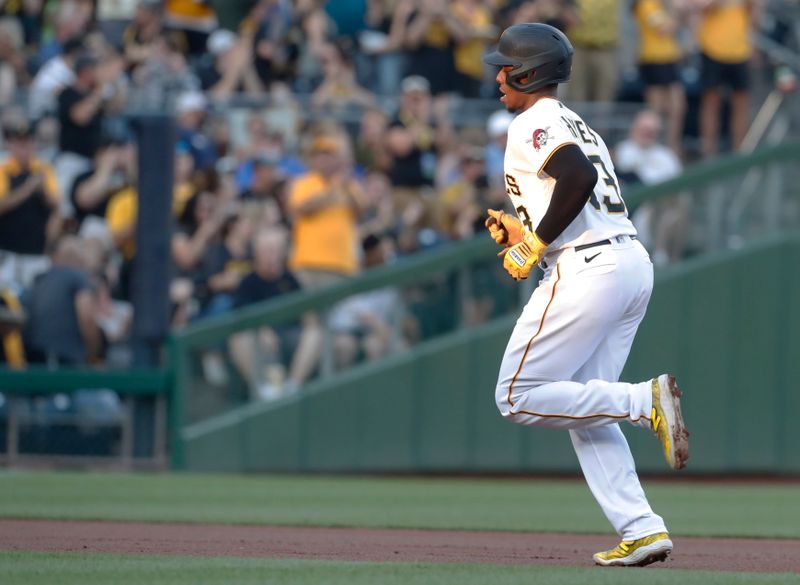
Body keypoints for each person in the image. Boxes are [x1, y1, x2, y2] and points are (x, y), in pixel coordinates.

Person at [482, 23, 689, 567]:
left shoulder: (536, 119)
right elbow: (575, 188)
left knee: (516, 395)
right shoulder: (572, 121)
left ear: (530, 73)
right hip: (625, 263)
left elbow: (574, 180)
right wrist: (526, 238)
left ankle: (641, 401)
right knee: (584, 406)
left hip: (589, 267)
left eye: (506, 67)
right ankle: (642, 529)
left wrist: (536, 246)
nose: (497, 75)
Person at [0, 120, 61, 292]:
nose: (23, 149)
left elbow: (56, 205)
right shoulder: (3, 170)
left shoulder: (43, 170)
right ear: (11, 145)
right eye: (19, 144)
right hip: (7, 252)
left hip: (36, 253)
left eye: (27, 143)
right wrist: (28, 188)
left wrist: (42, 191)